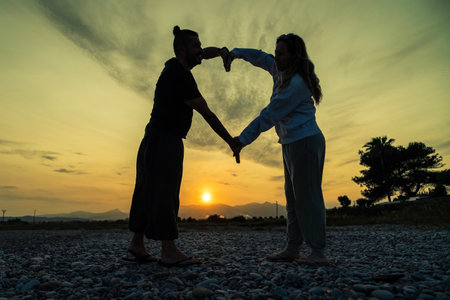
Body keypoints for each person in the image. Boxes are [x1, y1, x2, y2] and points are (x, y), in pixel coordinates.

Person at [126, 26, 240, 266]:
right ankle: (168, 250)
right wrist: (231, 141)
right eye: (195, 46)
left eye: (201, 45)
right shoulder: (180, 75)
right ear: (182, 49)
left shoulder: (173, 68)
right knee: (165, 193)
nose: (200, 50)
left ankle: (137, 243)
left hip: (153, 137)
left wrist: (219, 52)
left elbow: (202, 54)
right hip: (166, 139)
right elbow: (207, 113)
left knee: (148, 191)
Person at [226, 33, 328, 265]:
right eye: (277, 52)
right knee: (292, 200)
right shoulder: (279, 70)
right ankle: (292, 248)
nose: (276, 57)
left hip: (306, 142)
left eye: (281, 53)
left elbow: (270, 114)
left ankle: (318, 253)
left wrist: (241, 139)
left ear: (294, 56)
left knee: (308, 199)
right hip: (291, 143)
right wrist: (235, 53)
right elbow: (261, 57)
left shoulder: (296, 83)